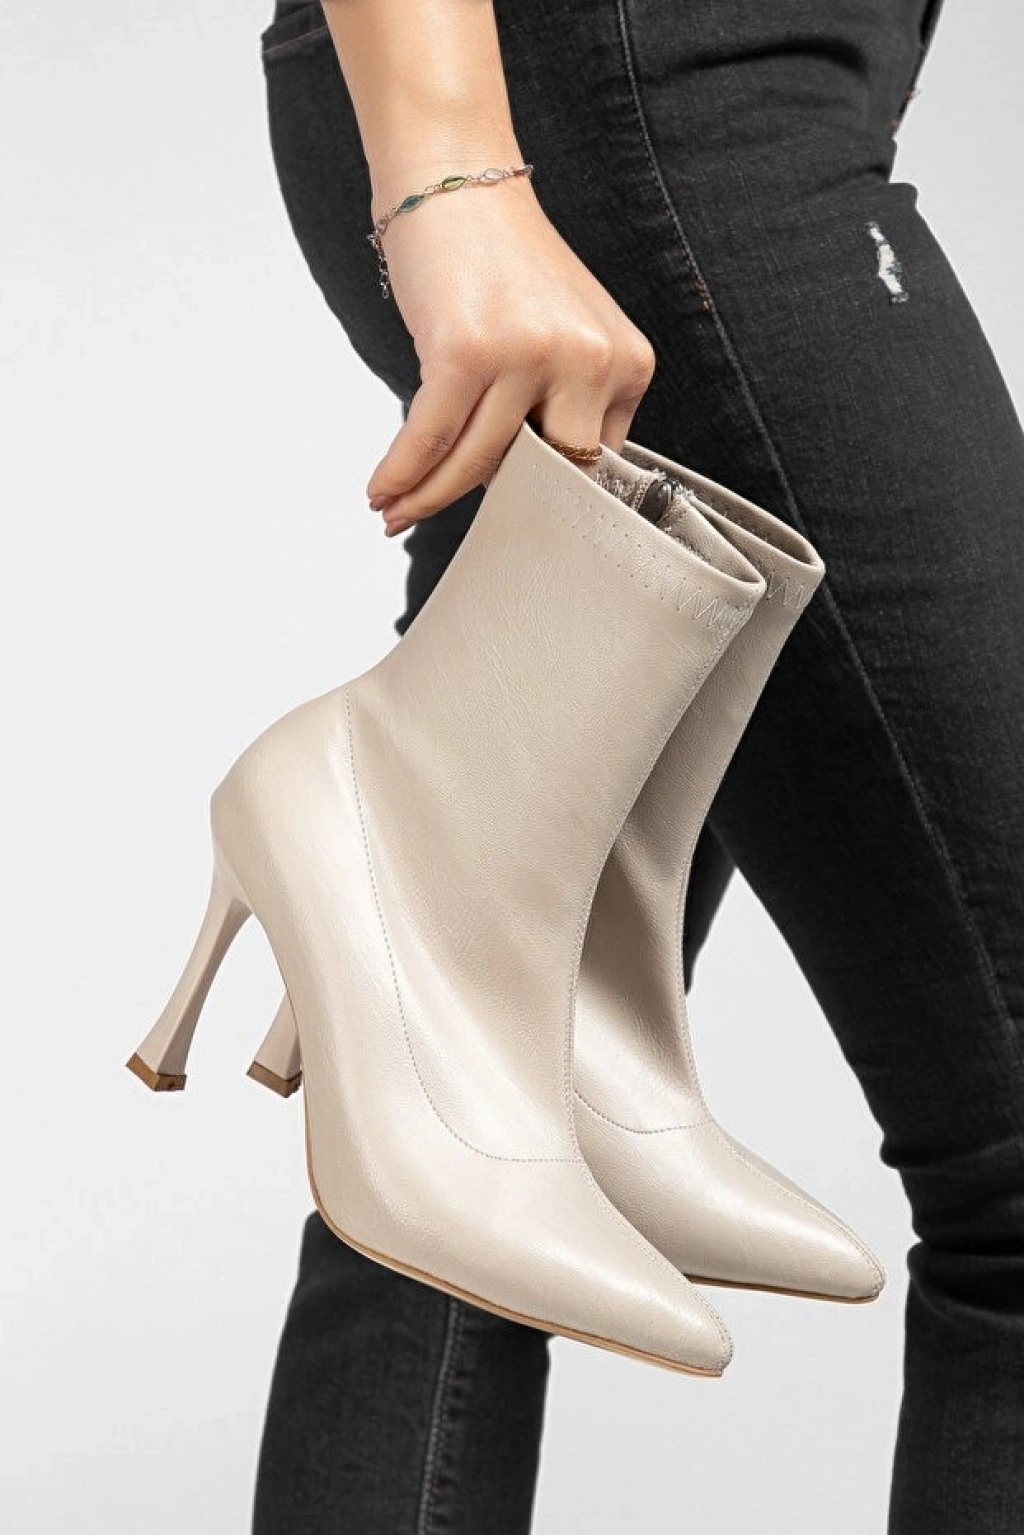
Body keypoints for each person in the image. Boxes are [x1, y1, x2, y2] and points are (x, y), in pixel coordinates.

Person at [249, 2, 1024, 1531]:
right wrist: (450, 169)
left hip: (681, 90)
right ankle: (334, 816)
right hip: (649, 89)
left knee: (469, 1106)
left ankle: (356, 845)